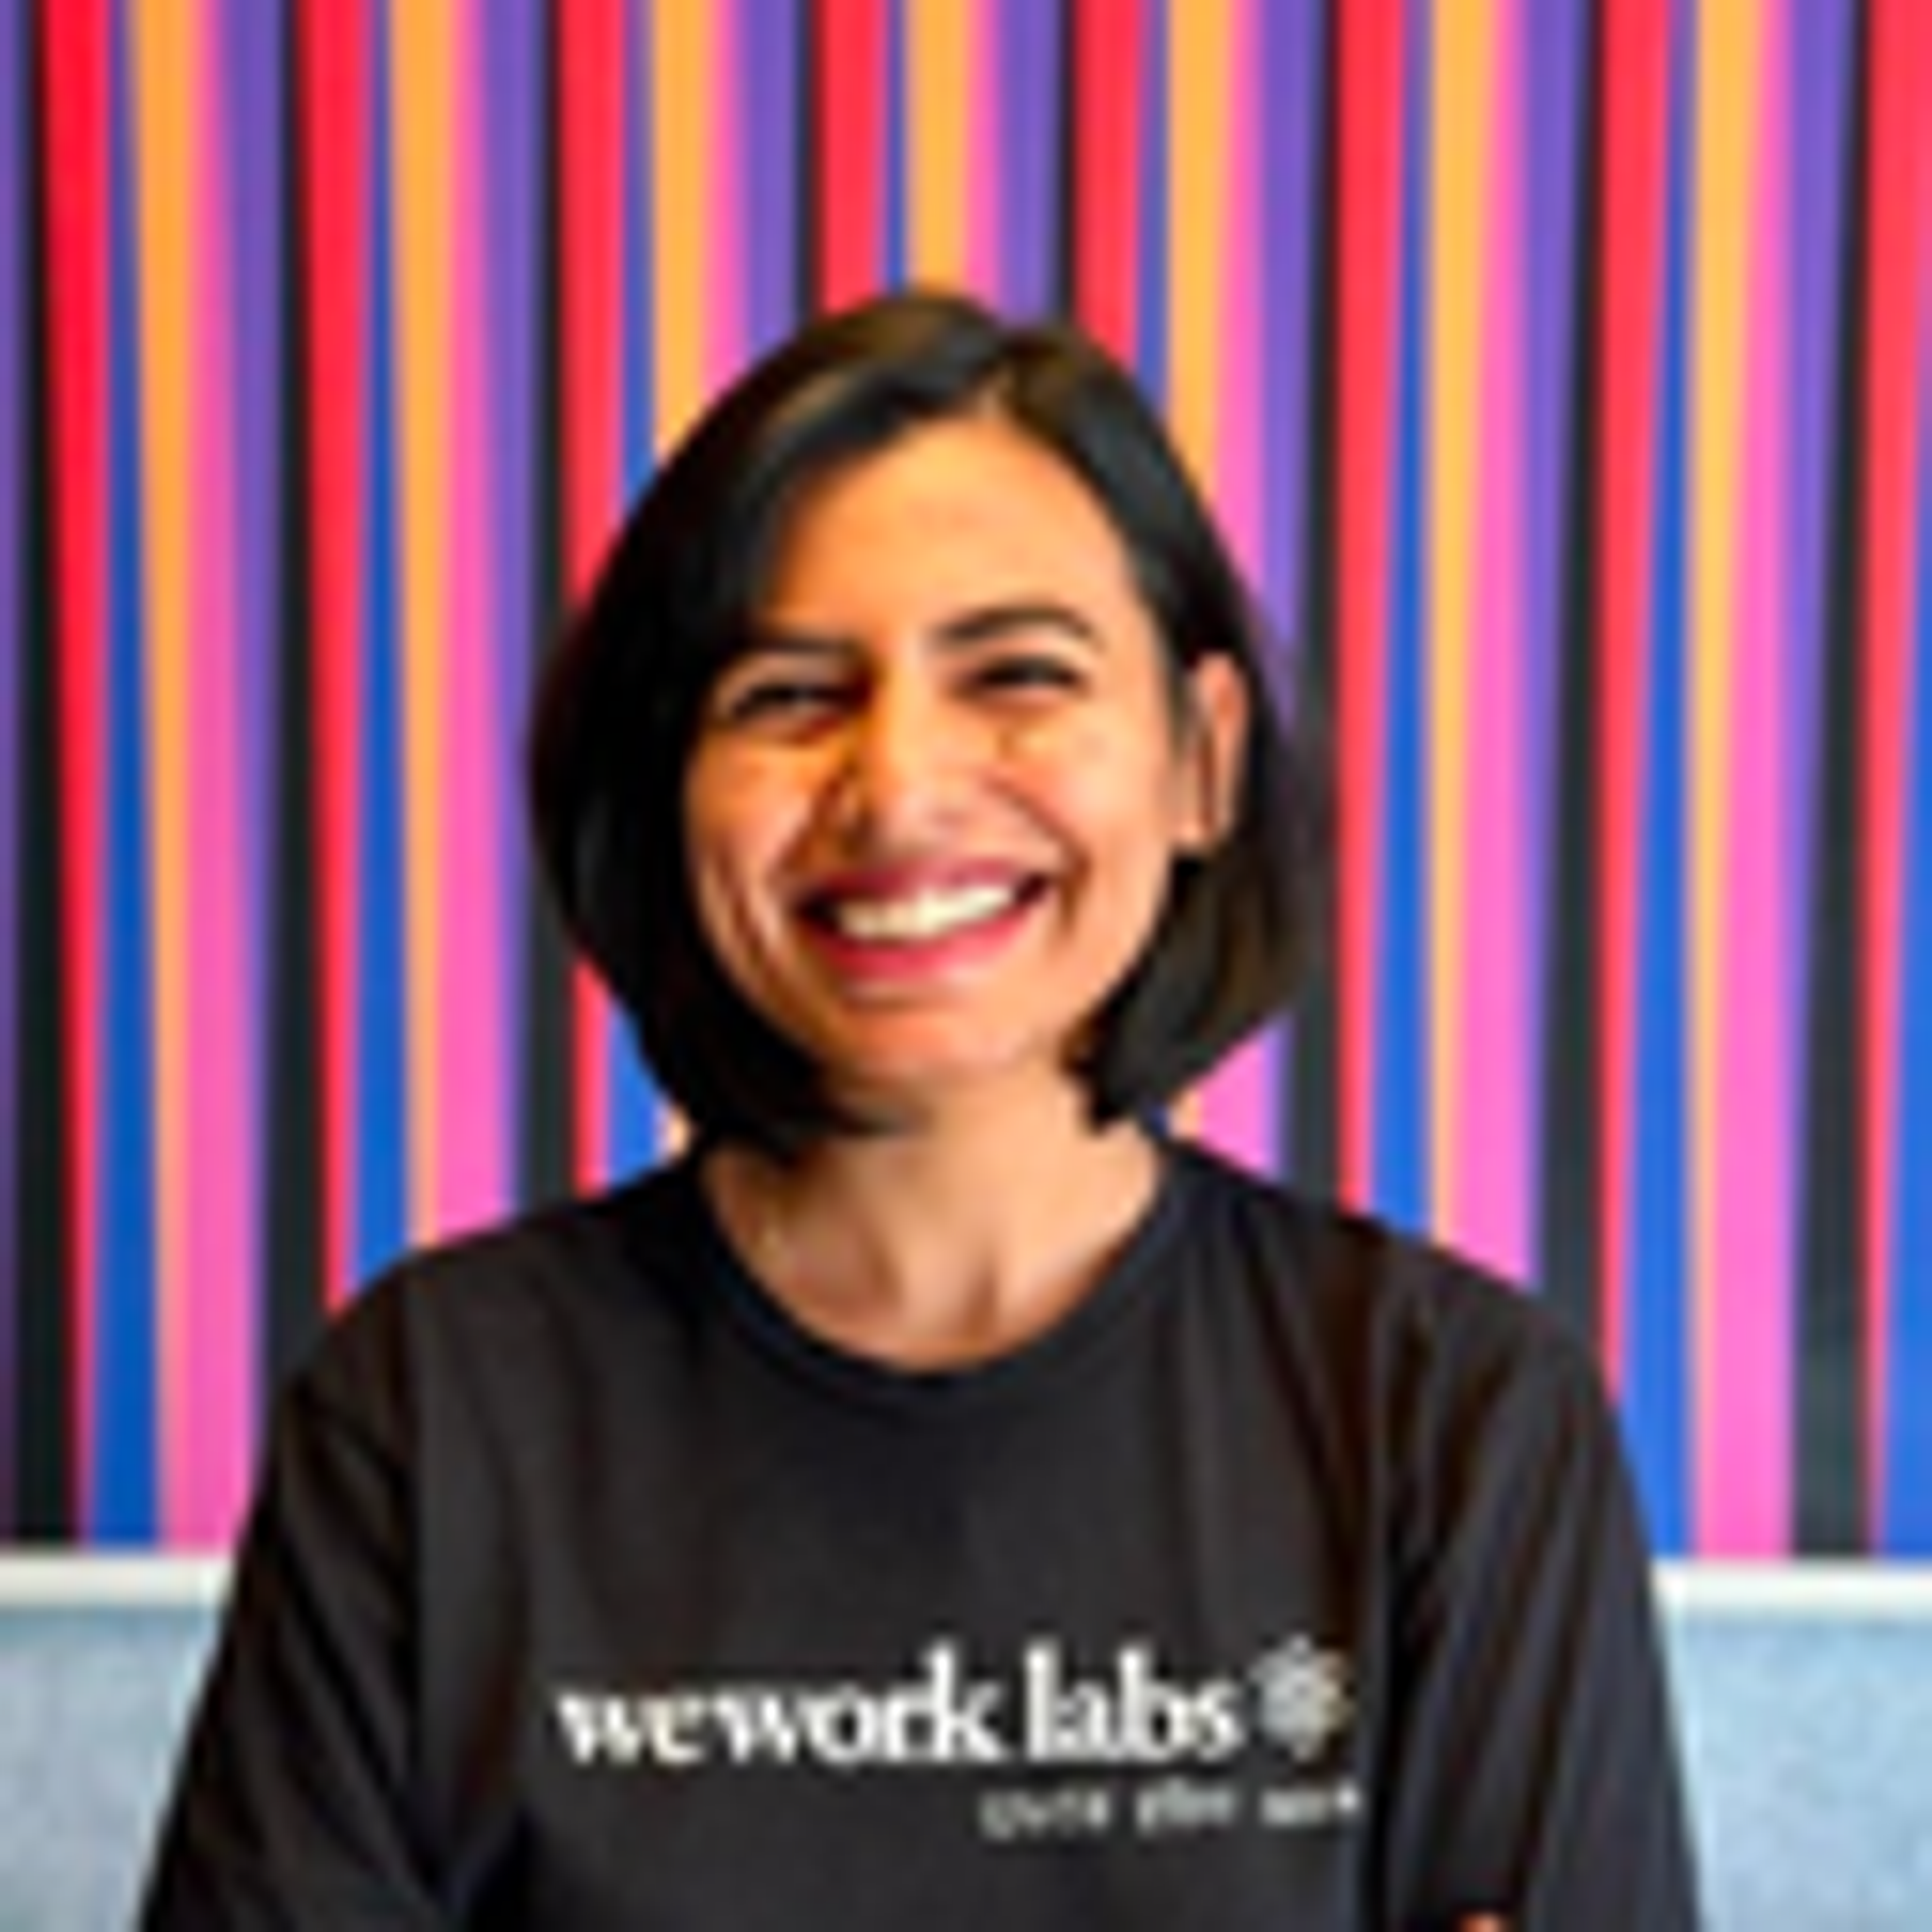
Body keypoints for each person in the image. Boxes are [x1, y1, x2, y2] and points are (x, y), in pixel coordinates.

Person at [141, 290, 1700, 1928]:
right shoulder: (439, 1409)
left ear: (1202, 758)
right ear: (668, 792)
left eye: (1018, 674)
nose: (897, 787)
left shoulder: (1451, 1419)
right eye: (788, 694)